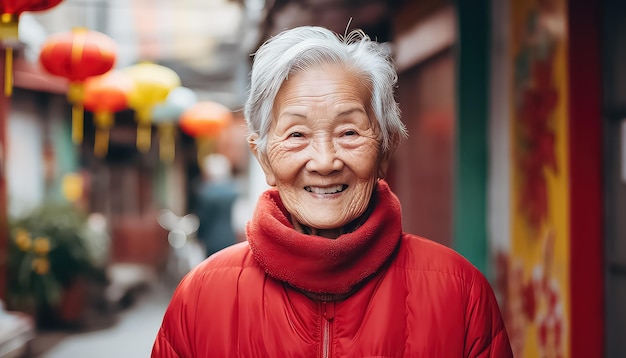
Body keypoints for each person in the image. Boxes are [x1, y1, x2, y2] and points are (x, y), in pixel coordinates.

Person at [152, 26, 513, 357]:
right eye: (297, 135)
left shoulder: (459, 292)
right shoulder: (201, 297)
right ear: (262, 159)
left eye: (349, 133)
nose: (325, 162)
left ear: (385, 149)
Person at [193, 153, 239, 257]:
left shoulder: (205, 194)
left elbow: (203, 220)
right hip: (230, 238)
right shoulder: (234, 192)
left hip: (211, 240)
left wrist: (199, 237)